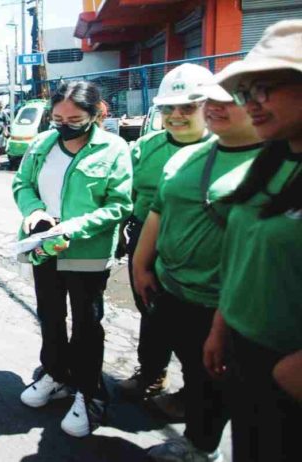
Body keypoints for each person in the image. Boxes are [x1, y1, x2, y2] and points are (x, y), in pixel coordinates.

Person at [133, 76, 263, 462]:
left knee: (227, 387)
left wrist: (225, 317)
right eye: (211, 100)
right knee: (197, 372)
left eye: (232, 100)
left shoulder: (274, 161)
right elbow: (159, 208)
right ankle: (199, 443)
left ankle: (205, 450)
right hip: (173, 290)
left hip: (226, 304)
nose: (217, 107)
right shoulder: (186, 156)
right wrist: (141, 265)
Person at [202, 20, 302, 462]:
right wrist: (222, 327)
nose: (251, 104)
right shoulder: (274, 160)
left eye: (265, 88)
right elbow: (245, 260)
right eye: (246, 93)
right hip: (246, 353)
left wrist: (290, 371)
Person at [12, 80, 132, 437]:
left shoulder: (114, 149)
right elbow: (22, 184)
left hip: (87, 254)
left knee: (86, 324)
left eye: (74, 118)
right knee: (50, 314)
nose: (64, 125)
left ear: (96, 115)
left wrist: (74, 227)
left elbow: (120, 205)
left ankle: (88, 392)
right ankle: (55, 375)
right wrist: (33, 212)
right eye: (57, 117)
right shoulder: (42, 145)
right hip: (43, 248)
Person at [118, 63, 215, 418]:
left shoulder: (224, 151)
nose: (176, 116)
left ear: (208, 106)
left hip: (198, 253)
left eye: (188, 107)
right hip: (143, 242)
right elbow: (124, 197)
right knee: (150, 312)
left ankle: (194, 396)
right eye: (168, 108)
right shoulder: (145, 148)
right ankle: (152, 373)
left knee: (196, 331)